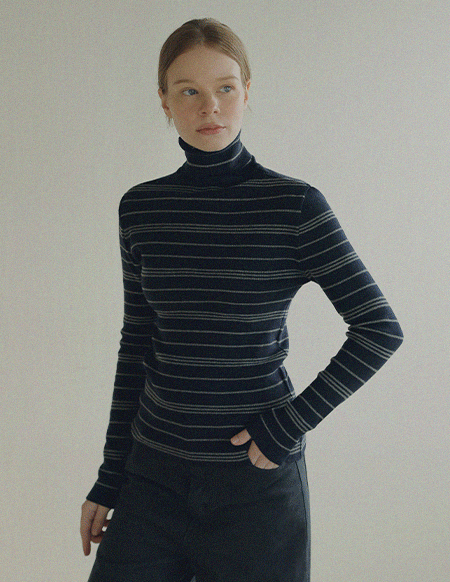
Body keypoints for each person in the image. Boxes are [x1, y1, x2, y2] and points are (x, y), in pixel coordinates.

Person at [80, 17, 403, 582]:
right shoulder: (142, 208)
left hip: (255, 488)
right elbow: (137, 344)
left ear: (247, 93)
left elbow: (379, 329)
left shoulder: (294, 206)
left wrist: (291, 422)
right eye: (188, 91)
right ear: (164, 101)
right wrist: (110, 477)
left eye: (225, 88)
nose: (210, 106)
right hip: (152, 480)